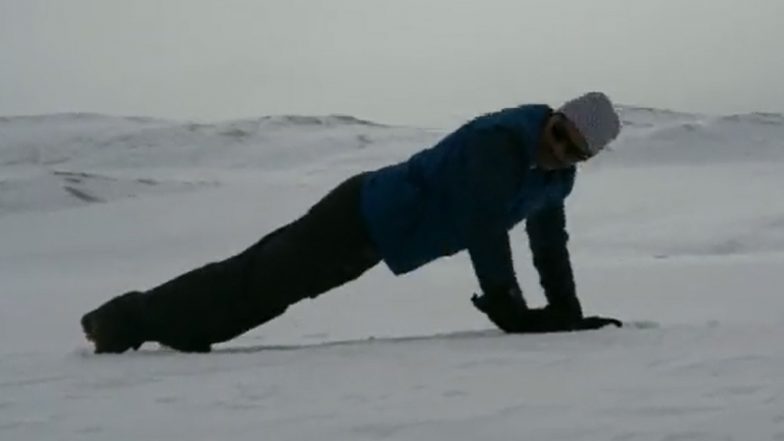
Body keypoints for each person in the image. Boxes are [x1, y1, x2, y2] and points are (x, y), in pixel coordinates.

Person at [81, 91, 623, 354]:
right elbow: (482, 222)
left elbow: (549, 242)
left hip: (383, 235)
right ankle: (127, 320)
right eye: (557, 133)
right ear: (553, 118)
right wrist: (507, 304)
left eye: (572, 152)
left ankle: (181, 329)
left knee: (269, 289)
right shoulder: (500, 143)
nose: (556, 151)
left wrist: (566, 308)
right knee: (259, 280)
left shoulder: (553, 180)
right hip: (362, 213)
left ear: (583, 159)